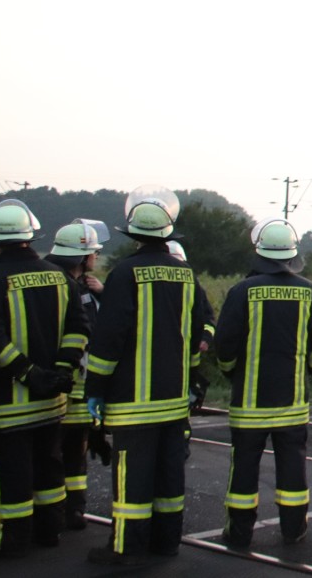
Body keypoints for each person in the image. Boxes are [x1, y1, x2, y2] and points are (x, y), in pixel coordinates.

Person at [83, 185, 215, 565]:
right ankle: (166, 541)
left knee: (133, 480)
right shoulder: (186, 274)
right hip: (175, 401)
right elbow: (197, 334)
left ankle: (125, 548)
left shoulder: (124, 273)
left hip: (133, 403)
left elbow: (109, 340)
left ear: (133, 233)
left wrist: (95, 388)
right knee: (169, 476)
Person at [214, 218, 312, 549]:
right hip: (293, 403)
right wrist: (308, 368)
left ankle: (239, 533)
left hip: (249, 402)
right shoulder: (311, 291)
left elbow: (225, 344)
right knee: (293, 468)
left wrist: (230, 371)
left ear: (260, 253)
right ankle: (294, 530)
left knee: (244, 469)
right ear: (292, 254)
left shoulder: (241, 291)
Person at [0, 199, 87, 558]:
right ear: (30, 235)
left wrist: (29, 374)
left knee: (11, 478)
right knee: (49, 470)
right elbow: (78, 328)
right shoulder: (58, 276)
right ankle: (49, 531)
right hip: (52, 403)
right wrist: (61, 371)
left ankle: (10, 542)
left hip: (6, 405)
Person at [44, 220, 110, 531]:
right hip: (61, 390)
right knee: (57, 455)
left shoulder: (83, 286)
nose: (97, 257)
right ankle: (60, 514)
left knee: (72, 454)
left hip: (74, 391)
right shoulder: (62, 285)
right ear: (82, 256)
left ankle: (71, 510)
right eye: (94, 253)